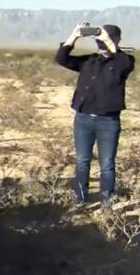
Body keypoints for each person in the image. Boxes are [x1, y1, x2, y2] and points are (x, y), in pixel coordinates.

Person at [54, 22, 135, 208]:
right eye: (98, 40)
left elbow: (123, 62)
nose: (100, 43)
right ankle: (80, 199)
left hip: (108, 121)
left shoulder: (124, 61)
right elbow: (61, 59)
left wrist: (107, 39)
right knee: (82, 161)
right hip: (83, 119)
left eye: (105, 39)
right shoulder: (89, 61)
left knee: (107, 164)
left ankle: (107, 202)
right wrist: (73, 36)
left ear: (117, 40)